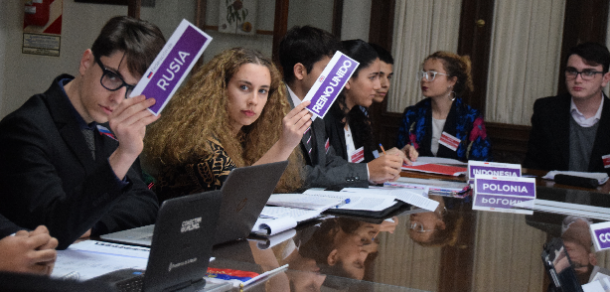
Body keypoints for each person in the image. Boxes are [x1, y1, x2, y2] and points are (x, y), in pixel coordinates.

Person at [0, 16, 164, 249]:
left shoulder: (111, 124)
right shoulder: (25, 128)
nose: (118, 98)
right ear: (86, 62)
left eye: (132, 89)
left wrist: (89, 225)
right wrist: (123, 156)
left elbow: (145, 206)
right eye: (112, 77)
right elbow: (54, 228)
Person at [144, 48, 310, 201]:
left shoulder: (250, 135)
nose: (253, 101)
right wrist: (283, 145)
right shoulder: (197, 140)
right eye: (244, 87)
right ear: (220, 88)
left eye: (262, 91)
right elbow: (235, 198)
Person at [279, 26, 406, 187]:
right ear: (300, 71)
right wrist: (366, 172)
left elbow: (329, 160)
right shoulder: (275, 108)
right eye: (328, 70)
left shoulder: (314, 104)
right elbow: (295, 175)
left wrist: (369, 172)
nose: (334, 77)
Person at [524, 42, 610, 174]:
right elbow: (533, 165)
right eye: (572, 71)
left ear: (605, 78)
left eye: (588, 72)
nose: (578, 79)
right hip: (554, 192)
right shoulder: (546, 110)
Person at [325, 40, 414, 164]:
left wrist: (385, 156)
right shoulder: (323, 120)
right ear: (347, 79)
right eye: (372, 77)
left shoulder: (356, 116)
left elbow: (361, 163)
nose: (379, 85)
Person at [396, 51, 492, 162]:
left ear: (452, 81)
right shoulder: (412, 115)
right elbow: (399, 154)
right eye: (423, 74)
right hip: (416, 177)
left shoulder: (470, 118)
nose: (424, 79)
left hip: (457, 179)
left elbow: (481, 162)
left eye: (432, 75)